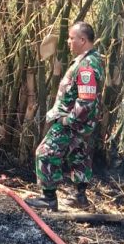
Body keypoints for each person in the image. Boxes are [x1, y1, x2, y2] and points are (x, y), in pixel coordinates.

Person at [25, 22, 104, 211]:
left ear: (83, 40)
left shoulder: (86, 66)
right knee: (79, 156)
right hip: (83, 124)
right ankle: (80, 198)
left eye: (72, 38)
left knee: (45, 152)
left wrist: (68, 120)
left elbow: (86, 101)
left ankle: (49, 199)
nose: (68, 41)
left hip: (73, 122)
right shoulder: (91, 60)